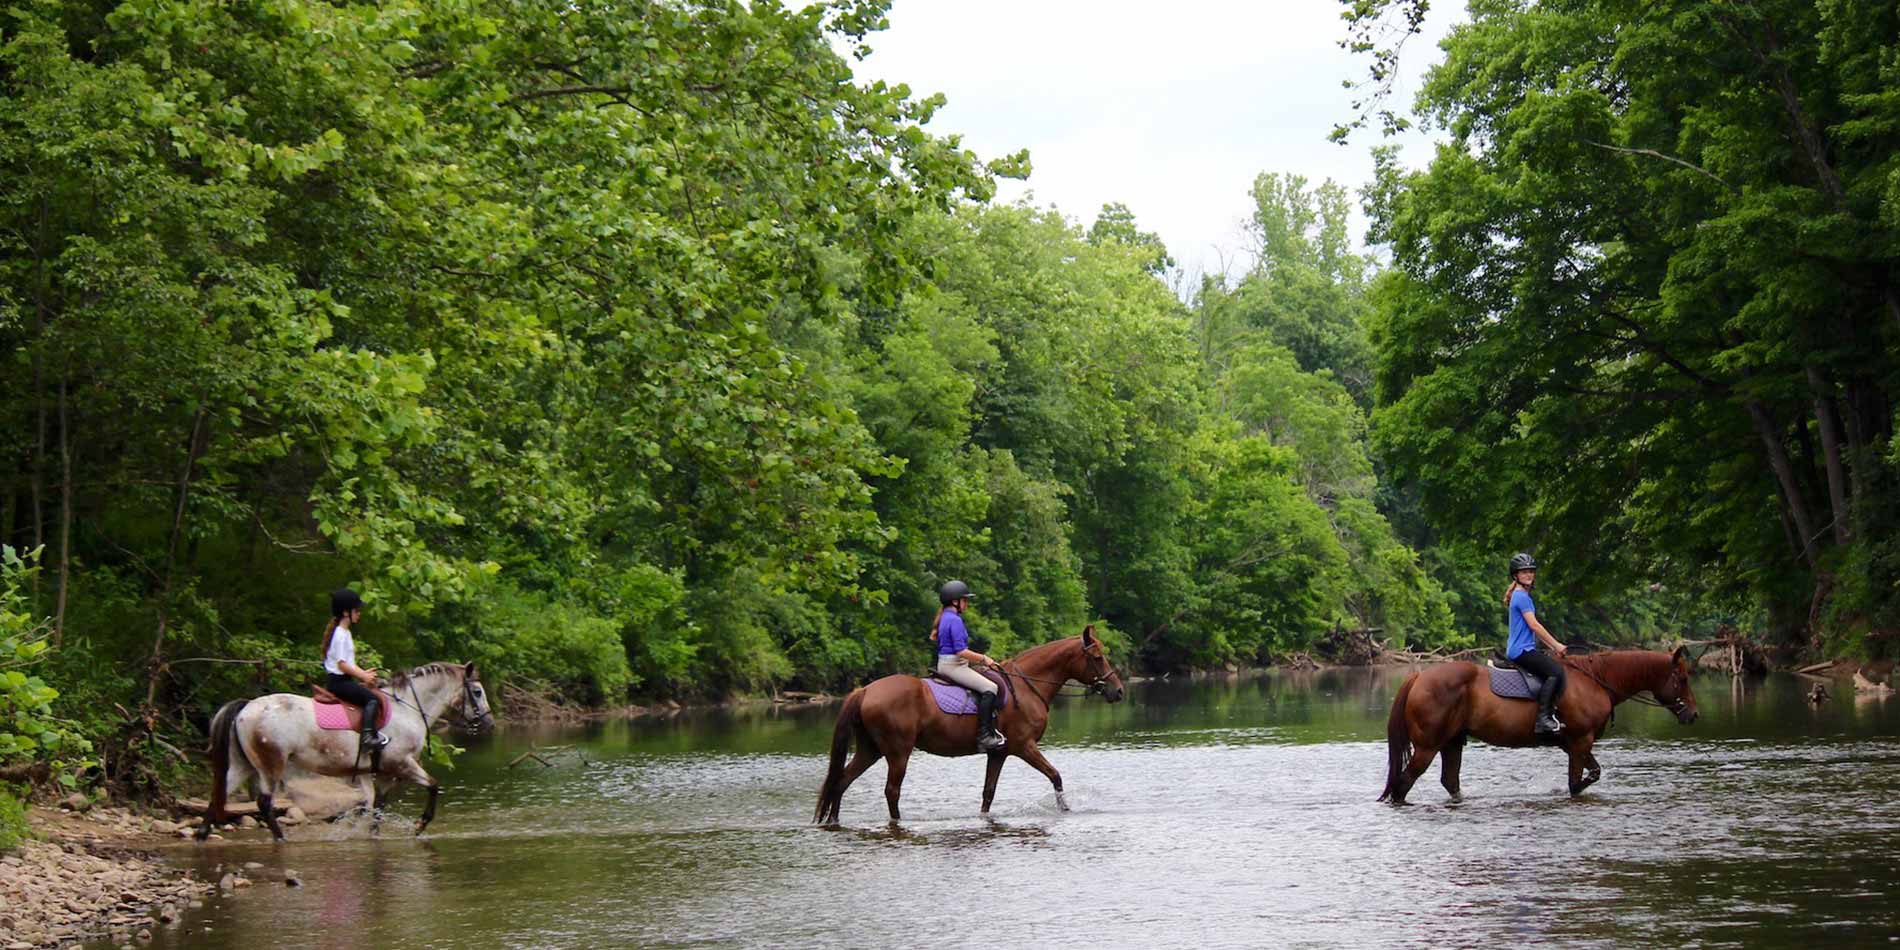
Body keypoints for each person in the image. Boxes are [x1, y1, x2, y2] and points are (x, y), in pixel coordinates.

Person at [930, 580, 1005, 751]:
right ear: (955, 601)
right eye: (965, 600)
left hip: (949, 664)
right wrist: (984, 659)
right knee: (991, 688)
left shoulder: (945, 617)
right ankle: (985, 735)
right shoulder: (954, 620)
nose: (967, 604)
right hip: (954, 666)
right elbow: (961, 651)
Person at [1503, 553, 1567, 735]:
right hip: (1521, 651)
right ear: (1515, 575)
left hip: (1524, 648)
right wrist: (1557, 645)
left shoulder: (1521, 595)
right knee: (1555, 672)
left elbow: (1528, 630)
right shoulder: (1521, 597)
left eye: (1531, 571)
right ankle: (1543, 719)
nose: (1529, 575)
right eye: (1524, 572)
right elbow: (1534, 625)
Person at [321, 588, 388, 749]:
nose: (359, 613)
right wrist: (363, 677)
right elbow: (342, 665)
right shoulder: (339, 634)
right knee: (372, 699)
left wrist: (364, 673)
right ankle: (366, 738)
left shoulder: (345, 633)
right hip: (339, 682)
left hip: (344, 680)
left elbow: (349, 662)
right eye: (356, 610)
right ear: (346, 612)